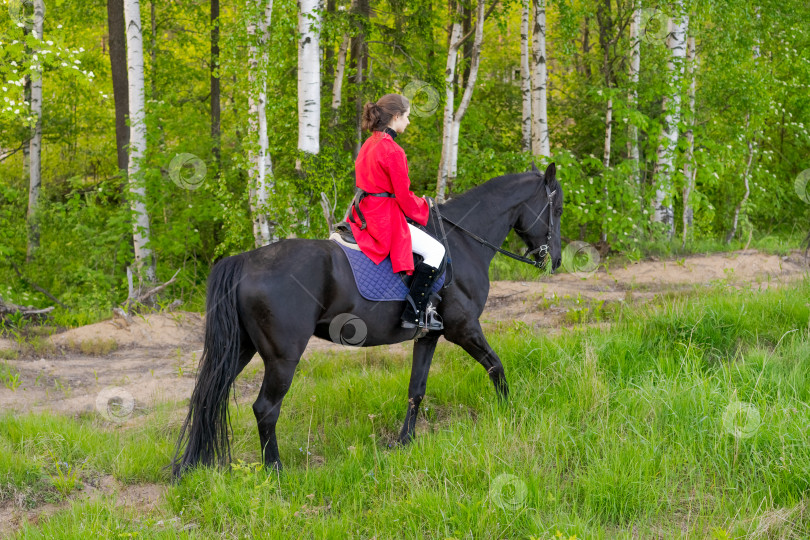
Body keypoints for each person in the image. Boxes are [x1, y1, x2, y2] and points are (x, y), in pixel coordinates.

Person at [347, 93, 446, 331]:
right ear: (396, 116)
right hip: (384, 217)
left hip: (364, 213)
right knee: (436, 249)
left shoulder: (368, 144)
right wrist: (425, 205)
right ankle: (415, 314)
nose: (409, 122)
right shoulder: (393, 151)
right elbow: (403, 197)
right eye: (408, 117)